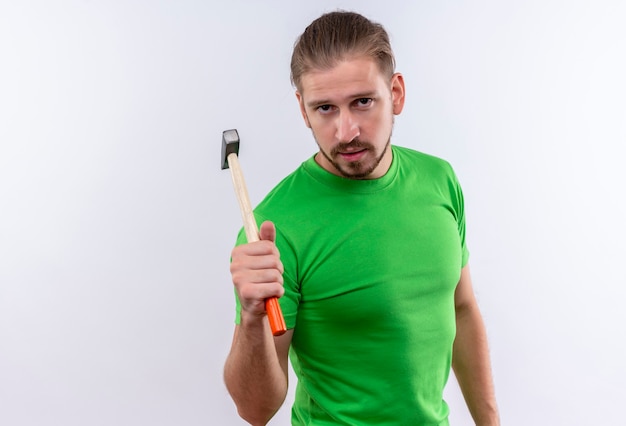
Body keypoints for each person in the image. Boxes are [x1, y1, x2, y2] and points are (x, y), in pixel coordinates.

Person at [223, 10, 500, 426]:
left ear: (397, 93)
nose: (346, 131)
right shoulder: (273, 229)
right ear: (303, 110)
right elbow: (256, 410)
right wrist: (251, 318)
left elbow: (461, 309)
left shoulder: (439, 180)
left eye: (363, 102)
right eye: (325, 109)